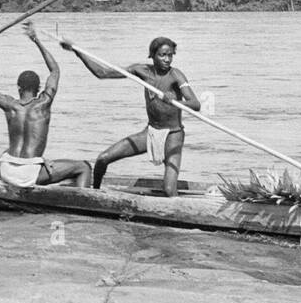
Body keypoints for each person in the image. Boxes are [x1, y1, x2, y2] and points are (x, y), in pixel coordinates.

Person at [62, 35, 200, 195]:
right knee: (102, 159)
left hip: (173, 135)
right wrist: (77, 51)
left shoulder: (176, 75)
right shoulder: (141, 71)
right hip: (150, 132)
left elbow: (195, 104)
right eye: (163, 55)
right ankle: (95, 194)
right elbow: (102, 73)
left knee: (169, 190)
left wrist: (174, 102)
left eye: (170, 55)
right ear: (153, 55)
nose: (167, 59)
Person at [0, 22, 92, 188]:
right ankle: (84, 202)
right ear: (37, 89)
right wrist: (36, 40)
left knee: (7, 152)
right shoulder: (44, 102)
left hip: (7, 170)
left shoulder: (9, 105)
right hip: (29, 174)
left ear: (19, 88)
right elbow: (55, 71)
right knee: (84, 167)